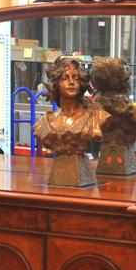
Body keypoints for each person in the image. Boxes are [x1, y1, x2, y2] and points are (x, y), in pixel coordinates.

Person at [34, 57, 110, 186]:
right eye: (65, 78)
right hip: (57, 182)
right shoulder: (44, 123)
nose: (71, 82)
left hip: (83, 182)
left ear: (82, 83)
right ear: (56, 84)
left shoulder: (96, 117)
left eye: (75, 78)